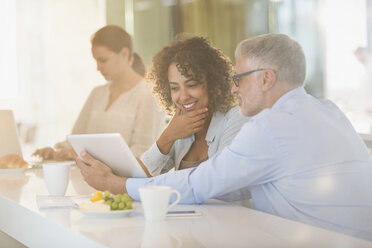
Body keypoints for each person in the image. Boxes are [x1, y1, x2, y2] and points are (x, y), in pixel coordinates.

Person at [76, 34, 372, 241]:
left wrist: (117, 185)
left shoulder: (268, 126)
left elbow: (201, 184)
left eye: (239, 79)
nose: (234, 89)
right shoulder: (328, 110)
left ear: (266, 78)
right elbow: (224, 186)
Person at [33, 25, 165, 160]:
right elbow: (75, 141)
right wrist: (55, 152)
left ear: (124, 54)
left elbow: (143, 154)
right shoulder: (97, 94)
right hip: (85, 178)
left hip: (123, 180)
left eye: (103, 60)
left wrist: (87, 156)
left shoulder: (148, 95)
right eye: (96, 60)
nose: (98, 67)